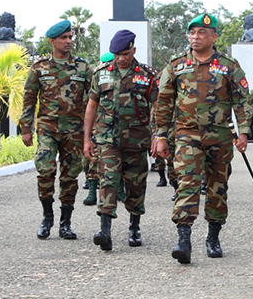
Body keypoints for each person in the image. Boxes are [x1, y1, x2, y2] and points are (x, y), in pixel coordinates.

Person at [155, 13, 250, 264]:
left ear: (213, 37)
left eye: (202, 33)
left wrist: (245, 133)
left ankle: (213, 236)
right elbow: (163, 103)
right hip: (187, 135)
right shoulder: (176, 65)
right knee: (187, 183)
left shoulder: (229, 65)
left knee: (218, 188)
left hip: (219, 136)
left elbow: (241, 101)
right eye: (193, 33)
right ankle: (184, 240)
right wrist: (161, 136)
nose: (196, 37)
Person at [83, 30, 157, 251]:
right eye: (116, 54)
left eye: (125, 53)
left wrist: (157, 135)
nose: (120, 58)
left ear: (133, 50)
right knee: (108, 180)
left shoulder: (147, 75)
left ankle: (134, 227)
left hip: (136, 140)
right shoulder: (101, 74)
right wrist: (87, 138)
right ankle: (104, 231)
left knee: (136, 185)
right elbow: (92, 107)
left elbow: (159, 107)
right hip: (108, 139)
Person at [20, 20, 91, 241]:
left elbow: (93, 101)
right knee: (45, 171)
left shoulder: (83, 67)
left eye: (70, 37)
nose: (69, 41)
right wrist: (25, 128)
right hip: (48, 129)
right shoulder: (39, 68)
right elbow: (29, 99)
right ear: (52, 41)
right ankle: (47, 216)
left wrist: (93, 132)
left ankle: (65, 223)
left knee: (70, 177)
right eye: (64, 38)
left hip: (75, 131)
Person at [82, 51, 114, 206]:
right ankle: (91, 192)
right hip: (98, 126)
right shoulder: (97, 78)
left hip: (114, 127)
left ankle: (119, 191)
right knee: (93, 160)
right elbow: (89, 106)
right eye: (103, 64)